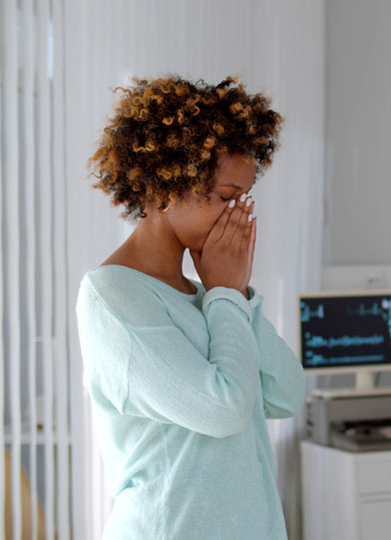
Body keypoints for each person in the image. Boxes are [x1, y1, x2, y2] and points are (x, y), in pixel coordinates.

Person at [76, 76, 305, 540]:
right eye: (225, 197)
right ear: (165, 182)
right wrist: (225, 292)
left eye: (243, 198)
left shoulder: (211, 296)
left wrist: (232, 292)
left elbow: (285, 393)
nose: (236, 215)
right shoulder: (113, 296)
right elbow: (223, 410)